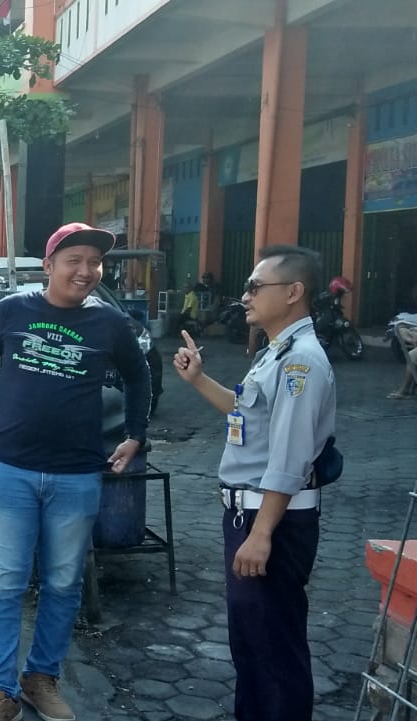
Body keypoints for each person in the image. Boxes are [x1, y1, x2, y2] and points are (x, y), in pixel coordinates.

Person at [0, 222, 151, 721]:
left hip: (76, 475)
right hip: (10, 471)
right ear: (48, 266)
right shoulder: (12, 310)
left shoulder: (109, 322)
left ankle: (40, 679)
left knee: (63, 583)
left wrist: (135, 433)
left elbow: (138, 374)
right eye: (74, 261)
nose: (86, 271)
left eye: (95, 262)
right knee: (4, 584)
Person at [172, 245, 335, 721]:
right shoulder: (275, 353)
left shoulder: (302, 361)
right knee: (250, 643)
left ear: (294, 292)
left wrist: (262, 534)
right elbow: (245, 412)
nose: (245, 296)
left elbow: (289, 458)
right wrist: (199, 379)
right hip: (251, 515)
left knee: (273, 646)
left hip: (273, 522)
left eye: (255, 286)